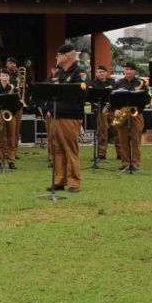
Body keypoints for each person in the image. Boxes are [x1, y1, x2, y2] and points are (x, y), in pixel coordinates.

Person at [48, 44, 87, 193]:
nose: (56, 58)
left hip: (70, 117)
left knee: (70, 150)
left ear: (66, 56)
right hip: (57, 116)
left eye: (58, 55)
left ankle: (74, 182)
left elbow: (81, 91)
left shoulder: (80, 73)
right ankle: (59, 180)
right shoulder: (60, 74)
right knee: (57, 150)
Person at [113, 62, 149, 171]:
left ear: (135, 71)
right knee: (122, 139)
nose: (129, 71)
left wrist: (139, 106)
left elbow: (147, 99)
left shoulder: (141, 83)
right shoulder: (119, 83)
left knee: (136, 139)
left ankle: (135, 163)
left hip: (136, 113)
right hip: (122, 113)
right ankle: (125, 162)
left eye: (131, 69)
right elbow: (113, 99)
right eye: (127, 69)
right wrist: (115, 110)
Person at [0, 68, 21, 170]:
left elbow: (19, 104)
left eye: (6, 76)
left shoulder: (13, 89)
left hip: (10, 116)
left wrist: (13, 112)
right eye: (3, 76)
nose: (5, 78)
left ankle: (11, 161)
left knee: (11, 139)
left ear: (9, 77)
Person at [88, 65, 116, 160]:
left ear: (106, 72)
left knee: (117, 131)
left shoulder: (112, 82)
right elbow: (92, 100)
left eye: (103, 72)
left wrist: (110, 107)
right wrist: (102, 107)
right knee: (102, 132)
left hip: (112, 110)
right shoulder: (93, 84)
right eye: (99, 72)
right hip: (100, 111)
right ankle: (102, 153)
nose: (102, 74)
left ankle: (121, 153)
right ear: (96, 73)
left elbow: (115, 96)